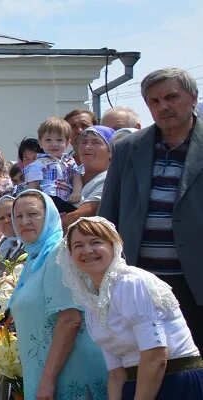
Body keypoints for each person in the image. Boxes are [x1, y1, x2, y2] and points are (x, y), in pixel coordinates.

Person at [100, 68, 203, 344]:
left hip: (196, 284)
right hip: (141, 283)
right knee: (148, 369)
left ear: (193, 97)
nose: (164, 106)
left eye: (172, 97)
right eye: (154, 102)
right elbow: (108, 216)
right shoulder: (127, 148)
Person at [59, 216, 203, 399]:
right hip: (136, 386)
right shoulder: (91, 300)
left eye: (96, 242)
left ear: (113, 246)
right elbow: (116, 373)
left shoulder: (131, 282)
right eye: (78, 245)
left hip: (176, 383)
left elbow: (156, 356)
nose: (87, 250)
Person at [10, 190, 107, 399]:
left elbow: (70, 319)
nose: (25, 221)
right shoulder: (33, 259)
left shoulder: (59, 253)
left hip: (68, 371)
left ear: (50, 216)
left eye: (33, 214)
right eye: (18, 216)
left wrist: (48, 380)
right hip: (48, 370)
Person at [64, 126, 113, 224]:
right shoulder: (68, 171)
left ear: (110, 151)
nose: (87, 147)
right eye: (84, 142)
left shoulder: (111, 179)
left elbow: (80, 215)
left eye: (96, 142)